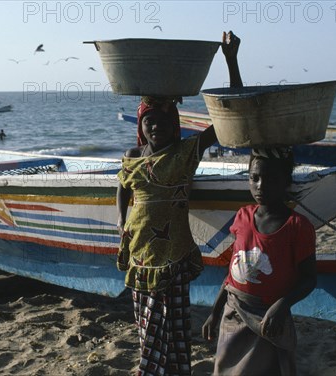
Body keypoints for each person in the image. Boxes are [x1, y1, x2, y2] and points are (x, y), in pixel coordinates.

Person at [116, 31, 242, 375]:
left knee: (171, 327)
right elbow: (124, 187)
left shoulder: (185, 154)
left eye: (164, 120)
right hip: (139, 252)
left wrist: (231, 61)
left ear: (176, 126)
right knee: (147, 326)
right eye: (149, 120)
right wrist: (120, 220)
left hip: (172, 253)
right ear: (141, 126)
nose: (155, 126)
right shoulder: (132, 156)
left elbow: (225, 119)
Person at [201, 147, 317, 375]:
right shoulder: (243, 216)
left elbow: (309, 279)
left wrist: (282, 305)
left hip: (269, 319)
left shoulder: (298, 226)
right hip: (233, 312)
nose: (260, 186)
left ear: (286, 180)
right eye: (254, 178)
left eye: (271, 179)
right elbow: (234, 272)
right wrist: (215, 312)